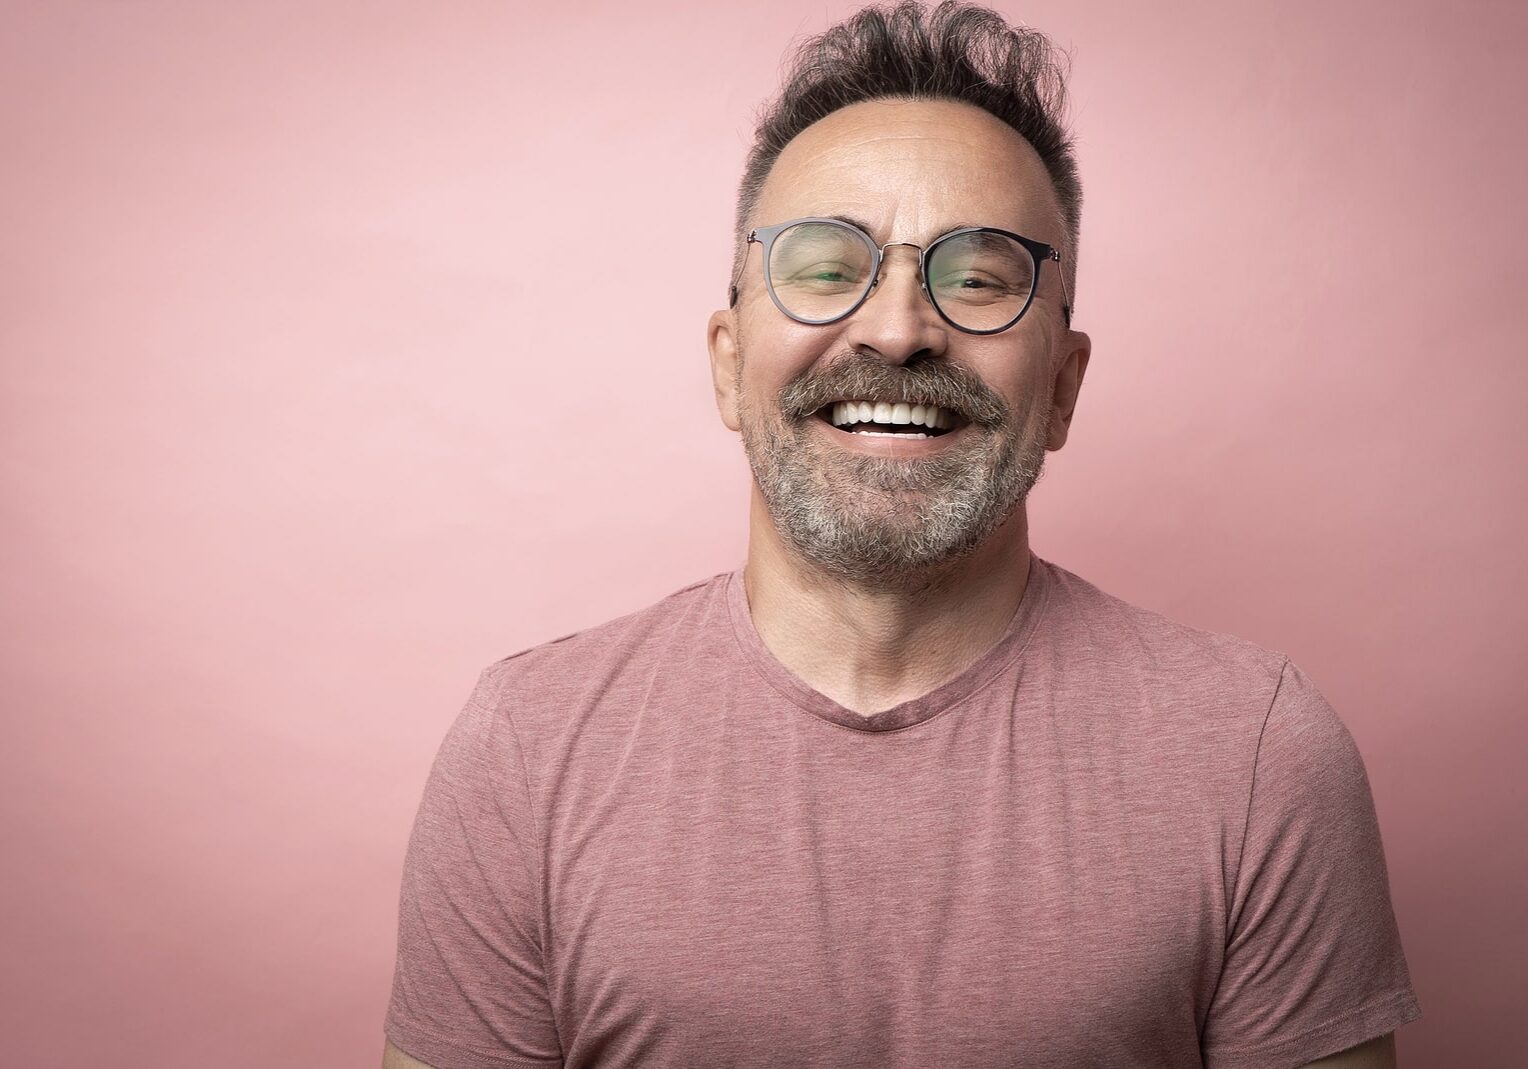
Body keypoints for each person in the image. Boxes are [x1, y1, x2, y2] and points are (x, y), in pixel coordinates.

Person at [381, 3, 1421, 1066]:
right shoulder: (528, 747)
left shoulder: (1257, 755)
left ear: (1061, 386)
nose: (895, 327)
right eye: (828, 266)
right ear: (728, 364)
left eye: (977, 276)